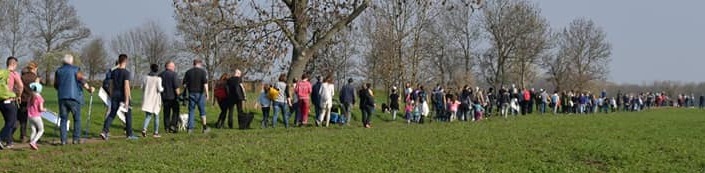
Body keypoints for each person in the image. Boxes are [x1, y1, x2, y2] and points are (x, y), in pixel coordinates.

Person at [54, 55, 94, 144]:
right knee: (77, 119)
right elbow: (82, 81)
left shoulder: (58, 71)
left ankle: (63, 140)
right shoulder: (76, 69)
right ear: (71, 62)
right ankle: (76, 139)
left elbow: (56, 85)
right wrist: (89, 89)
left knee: (63, 119)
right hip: (74, 97)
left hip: (62, 97)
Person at [100, 54, 137, 140]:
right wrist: (127, 100)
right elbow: (126, 86)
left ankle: (104, 131)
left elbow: (111, 84)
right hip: (123, 95)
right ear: (125, 61)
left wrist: (111, 94)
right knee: (128, 115)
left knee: (112, 113)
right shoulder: (126, 72)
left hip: (115, 94)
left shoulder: (114, 72)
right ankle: (129, 134)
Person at [0, 57, 23, 149]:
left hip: (0, 101)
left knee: (7, 122)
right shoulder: (13, 73)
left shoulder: (2, 72)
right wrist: (18, 95)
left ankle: (9, 142)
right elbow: (20, 86)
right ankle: (1, 138)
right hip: (9, 100)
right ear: (14, 64)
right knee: (12, 122)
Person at [182, 59, 210, 133]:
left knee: (191, 111)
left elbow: (184, 84)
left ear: (193, 64)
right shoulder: (203, 72)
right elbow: (205, 84)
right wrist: (207, 93)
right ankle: (204, 128)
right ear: (200, 64)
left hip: (191, 93)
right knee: (202, 111)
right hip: (200, 94)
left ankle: (190, 129)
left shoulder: (188, 72)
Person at [15, 62, 38, 143]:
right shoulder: (35, 78)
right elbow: (37, 90)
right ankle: (36, 136)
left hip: (23, 99)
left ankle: (23, 136)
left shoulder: (22, 77)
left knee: (22, 119)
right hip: (33, 100)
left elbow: (18, 88)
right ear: (35, 68)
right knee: (35, 118)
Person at [141, 64, 164, 138]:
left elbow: (143, 87)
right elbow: (160, 89)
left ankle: (144, 129)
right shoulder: (158, 79)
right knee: (156, 116)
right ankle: (156, 133)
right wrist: (163, 88)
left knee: (148, 116)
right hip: (155, 99)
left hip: (147, 98)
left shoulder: (146, 78)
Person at [159, 61, 180, 133]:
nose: (174, 68)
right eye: (173, 66)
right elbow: (176, 86)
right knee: (175, 112)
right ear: (169, 66)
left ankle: (166, 127)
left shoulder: (160, 75)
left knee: (166, 113)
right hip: (173, 97)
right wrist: (179, 95)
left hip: (164, 97)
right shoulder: (174, 75)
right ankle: (173, 125)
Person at [27, 82, 45, 150]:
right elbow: (41, 109)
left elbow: (27, 107)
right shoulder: (39, 98)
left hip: (30, 116)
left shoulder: (30, 97)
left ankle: (31, 143)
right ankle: (33, 142)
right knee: (41, 130)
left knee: (33, 130)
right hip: (36, 117)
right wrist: (45, 110)